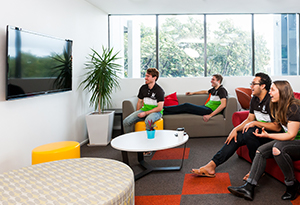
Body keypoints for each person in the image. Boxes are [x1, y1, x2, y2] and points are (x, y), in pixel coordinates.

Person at [191, 73, 281, 178]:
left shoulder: (272, 100)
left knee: (249, 132)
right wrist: (235, 129)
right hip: (259, 132)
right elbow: (249, 119)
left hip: (272, 135)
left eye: (253, 84)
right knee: (236, 136)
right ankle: (211, 166)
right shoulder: (254, 100)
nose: (250, 86)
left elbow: (277, 127)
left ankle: (256, 169)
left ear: (263, 86)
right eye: (251, 84)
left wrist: (256, 123)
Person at [227, 80, 300, 201]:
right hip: (290, 141)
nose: (269, 92)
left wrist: (268, 136)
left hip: (297, 142)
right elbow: (278, 128)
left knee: (278, 149)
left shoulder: (294, 107)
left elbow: (291, 135)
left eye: (272, 90)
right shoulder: (277, 106)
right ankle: (249, 187)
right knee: (260, 151)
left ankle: (292, 184)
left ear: (282, 92)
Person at [123, 68, 165, 134]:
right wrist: (137, 114)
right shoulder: (143, 88)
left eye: (148, 76)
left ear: (154, 78)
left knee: (148, 121)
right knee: (126, 121)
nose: (145, 78)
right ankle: (128, 139)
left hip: (156, 112)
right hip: (144, 110)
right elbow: (139, 102)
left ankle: (149, 141)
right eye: (145, 76)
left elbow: (159, 108)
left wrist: (145, 113)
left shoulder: (159, 90)